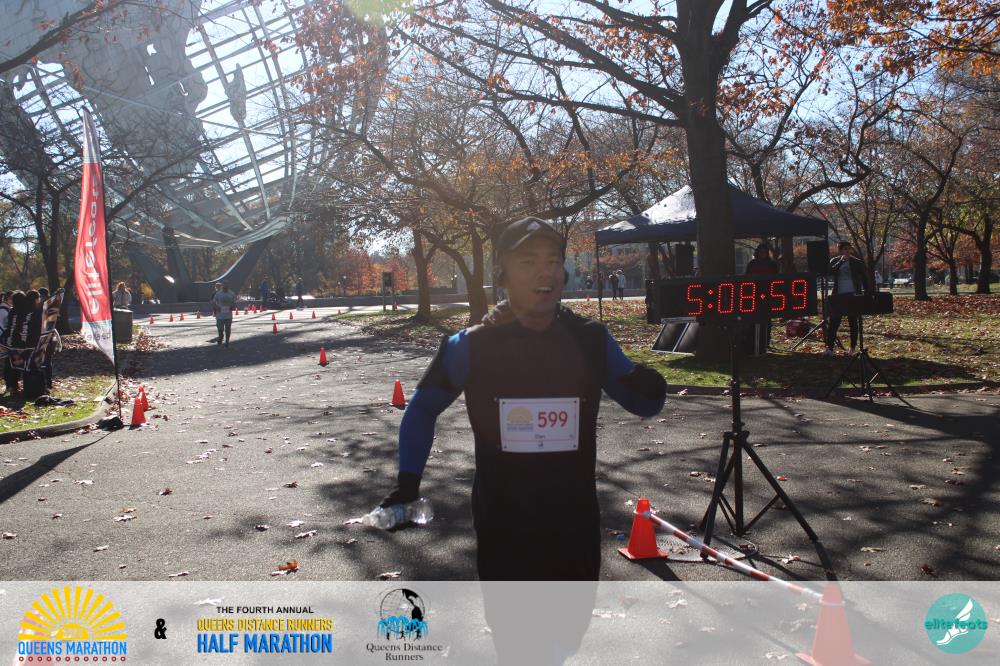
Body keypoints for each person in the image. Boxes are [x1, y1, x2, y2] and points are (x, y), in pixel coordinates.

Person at [375, 216, 668, 582]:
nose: (544, 272)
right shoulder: (470, 345)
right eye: (528, 262)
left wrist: (649, 385)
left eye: (553, 261)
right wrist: (407, 484)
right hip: (503, 527)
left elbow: (644, 403)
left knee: (570, 620)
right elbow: (422, 410)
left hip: (574, 527)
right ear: (503, 274)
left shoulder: (591, 340)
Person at [825, 241, 872, 356]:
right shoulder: (835, 261)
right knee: (834, 322)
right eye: (845, 249)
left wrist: (867, 293)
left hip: (853, 295)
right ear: (840, 250)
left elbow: (864, 278)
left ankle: (852, 348)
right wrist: (841, 262)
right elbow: (830, 272)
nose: (847, 251)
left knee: (853, 322)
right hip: (838, 295)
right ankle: (829, 349)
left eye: (849, 249)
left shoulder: (857, 262)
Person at [744, 243, 779, 354]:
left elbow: (776, 279)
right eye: (760, 252)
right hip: (753, 295)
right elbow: (746, 279)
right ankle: (752, 344)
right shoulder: (752, 264)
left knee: (766, 319)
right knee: (752, 319)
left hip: (768, 294)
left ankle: (765, 343)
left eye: (764, 252)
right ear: (757, 252)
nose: (762, 254)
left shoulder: (772, 265)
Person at [211, 282, 236, 348]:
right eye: (224, 287)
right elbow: (213, 302)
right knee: (220, 329)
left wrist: (233, 307)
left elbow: (234, 302)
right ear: (222, 287)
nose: (225, 288)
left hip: (228, 315)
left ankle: (227, 341)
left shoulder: (232, 294)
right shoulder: (218, 294)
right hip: (220, 315)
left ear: (228, 287)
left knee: (228, 329)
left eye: (226, 287)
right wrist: (216, 307)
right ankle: (221, 336)